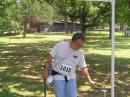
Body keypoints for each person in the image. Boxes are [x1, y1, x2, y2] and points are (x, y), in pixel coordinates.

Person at [43, 33, 97, 97]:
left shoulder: (80, 53)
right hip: (58, 77)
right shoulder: (60, 45)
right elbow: (50, 58)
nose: (80, 47)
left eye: (82, 45)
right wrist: (46, 71)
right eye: (79, 45)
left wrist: (90, 80)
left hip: (71, 78)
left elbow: (83, 68)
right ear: (73, 41)